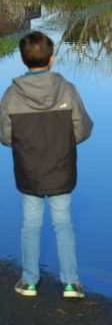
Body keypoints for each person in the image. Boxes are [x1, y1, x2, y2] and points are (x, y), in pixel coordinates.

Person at [0, 31, 93, 299]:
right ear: (52, 59)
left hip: (29, 170)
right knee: (63, 223)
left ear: (21, 59)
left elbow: (6, 137)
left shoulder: (11, 96)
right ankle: (70, 283)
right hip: (61, 167)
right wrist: (61, 143)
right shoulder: (67, 90)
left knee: (30, 224)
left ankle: (29, 281)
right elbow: (82, 130)